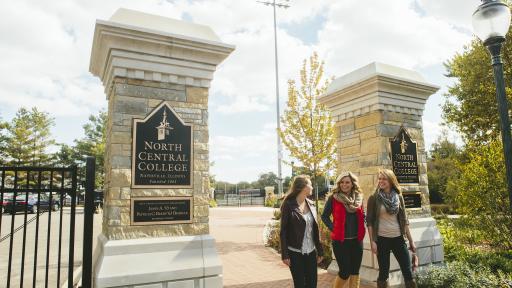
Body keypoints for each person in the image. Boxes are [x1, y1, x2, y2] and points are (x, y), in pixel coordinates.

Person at [366, 169, 417, 288]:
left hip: (398, 238)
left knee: (407, 271)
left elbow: (404, 220)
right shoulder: (374, 198)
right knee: (384, 273)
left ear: (390, 180)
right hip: (382, 239)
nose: (381, 181)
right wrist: (372, 241)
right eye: (379, 178)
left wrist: (411, 240)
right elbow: (369, 222)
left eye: (384, 179)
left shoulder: (398, 197)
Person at [321, 171, 366, 288]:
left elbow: (363, 215)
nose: (344, 185)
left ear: (352, 184)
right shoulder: (334, 198)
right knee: (345, 272)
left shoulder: (359, 198)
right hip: (340, 241)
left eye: (347, 182)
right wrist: (333, 228)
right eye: (342, 182)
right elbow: (324, 216)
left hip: (357, 240)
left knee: (355, 272)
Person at [280, 175, 324, 288]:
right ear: (303, 187)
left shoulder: (312, 205)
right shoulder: (288, 205)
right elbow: (283, 231)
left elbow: (315, 229)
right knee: (300, 284)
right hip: (295, 252)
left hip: (311, 251)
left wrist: (320, 250)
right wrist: (285, 254)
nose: (312, 187)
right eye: (310, 184)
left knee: (312, 284)